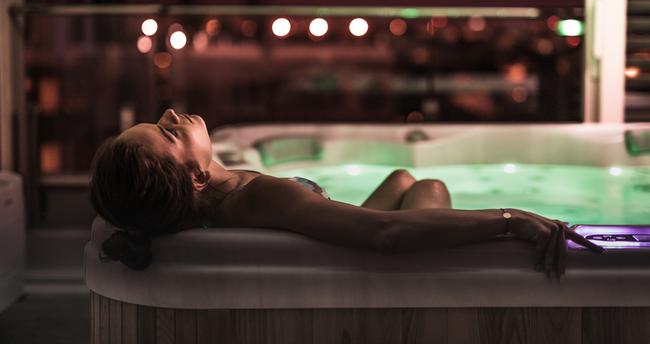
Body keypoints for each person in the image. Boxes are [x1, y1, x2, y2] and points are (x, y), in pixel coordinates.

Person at [90, 109, 604, 277]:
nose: (174, 115)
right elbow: (382, 233)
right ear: (195, 178)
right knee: (427, 187)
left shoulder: (201, 198)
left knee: (409, 180)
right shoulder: (260, 198)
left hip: (325, 241)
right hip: (365, 265)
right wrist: (511, 219)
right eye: (169, 133)